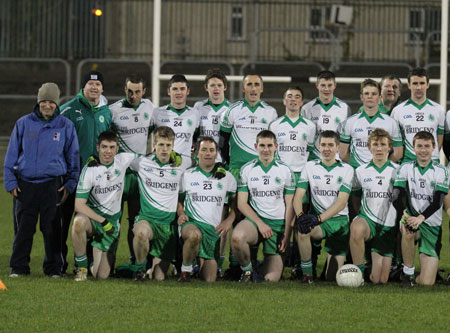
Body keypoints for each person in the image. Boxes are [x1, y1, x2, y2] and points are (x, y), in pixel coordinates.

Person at [4, 82, 80, 277]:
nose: (47, 106)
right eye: (44, 102)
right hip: (25, 185)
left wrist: (70, 184)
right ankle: (19, 268)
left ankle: (53, 269)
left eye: (51, 102)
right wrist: (11, 182)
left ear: (57, 104)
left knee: (52, 230)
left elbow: (73, 158)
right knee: (23, 230)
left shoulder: (65, 126)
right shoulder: (23, 123)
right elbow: (11, 155)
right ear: (38, 103)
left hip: (52, 185)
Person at [59, 70, 111, 273]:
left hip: (95, 182)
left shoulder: (106, 112)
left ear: (102, 88)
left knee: (88, 223)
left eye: (97, 85)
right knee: (62, 224)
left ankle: (85, 264)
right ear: (83, 87)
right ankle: (58, 264)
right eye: (90, 84)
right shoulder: (68, 109)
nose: (94, 87)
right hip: (71, 178)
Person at [71, 131, 136, 281]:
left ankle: (97, 254)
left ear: (117, 148)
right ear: (98, 147)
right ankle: (81, 268)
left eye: (112, 147)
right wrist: (102, 221)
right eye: (104, 147)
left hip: (112, 223)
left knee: (101, 276)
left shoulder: (123, 160)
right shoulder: (89, 170)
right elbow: (79, 205)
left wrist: (171, 155)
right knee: (78, 223)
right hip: (94, 219)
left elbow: (146, 158)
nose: (108, 151)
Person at [231, 130, 295, 282]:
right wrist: (260, 224)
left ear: (276, 147)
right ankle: (247, 271)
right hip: (255, 221)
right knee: (237, 238)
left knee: (270, 278)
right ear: (256, 146)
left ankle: (258, 264)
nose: (266, 149)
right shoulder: (247, 169)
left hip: (277, 225)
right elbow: (241, 203)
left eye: (269, 146)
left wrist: (287, 235)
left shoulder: (286, 170)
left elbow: (290, 205)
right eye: (262, 145)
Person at [293, 130, 354, 283]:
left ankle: (330, 262)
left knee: (331, 278)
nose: (327, 149)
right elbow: (298, 195)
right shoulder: (309, 166)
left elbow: (341, 204)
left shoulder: (347, 169)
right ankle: (307, 273)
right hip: (318, 222)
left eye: (331, 145)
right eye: (323, 145)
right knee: (302, 230)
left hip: (339, 223)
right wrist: (301, 216)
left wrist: (317, 219)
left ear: (338, 148)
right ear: (318, 147)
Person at [268, 86, 316, 278]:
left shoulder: (310, 126)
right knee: (281, 215)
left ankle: (298, 263)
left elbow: (311, 153)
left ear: (302, 102)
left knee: (298, 219)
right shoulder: (275, 125)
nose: (293, 100)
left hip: (301, 176)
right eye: (290, 97)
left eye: (297, 97)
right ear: (284, 101)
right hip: (280, 175)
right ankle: (278, 255)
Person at [392, 131, 449, 287]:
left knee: (427, 282)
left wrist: (421, 218)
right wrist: (404, 214)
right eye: (419, 146)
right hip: (412, 220)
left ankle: (419, 275)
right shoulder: (405, 168)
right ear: (414, 147)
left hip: (432, 226)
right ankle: (407, 274)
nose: (423, 150)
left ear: (433, 148)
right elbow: (397, 195)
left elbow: (438, 201)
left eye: (426, 146)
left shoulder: (442, 171)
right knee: (407, 228)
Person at [177, 137, 237, 282]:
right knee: (194, 236)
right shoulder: (187, 175)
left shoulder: (227, 177)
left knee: (210, 279)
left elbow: (236, 204)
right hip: (192, 224)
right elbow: (178, 200)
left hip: (212, 232)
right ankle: (185, 271)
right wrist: (181, 213)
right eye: (203, 150)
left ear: (217, 154)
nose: (208, 153)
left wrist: (229, 220)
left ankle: (197, 265)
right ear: (196, 153)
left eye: (211, 150)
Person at [110, 74, 154, 264]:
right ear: (124, 90)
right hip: (119, 176)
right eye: (130, 91)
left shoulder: (150, 108)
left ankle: (135, 260)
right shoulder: (113, 111)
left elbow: (156, 133)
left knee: (136, 221)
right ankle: (108, 262)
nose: (133, 95)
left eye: (137, 92)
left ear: (144, 92)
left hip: (139, 176)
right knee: (113, 220)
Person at [132, 126, 184, 281]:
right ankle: (139, 269)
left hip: (168, 225)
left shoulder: (181, 166)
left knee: (159, 278)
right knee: (141, 233)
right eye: (161, 145)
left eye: (168, 145)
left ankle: (150, 269)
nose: (164, 149)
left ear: (173, 146)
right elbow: (118, 160)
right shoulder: (141, 163)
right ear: (154, 145)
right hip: (147, 219)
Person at [349, 129, 399, 284]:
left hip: (388, 226)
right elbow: (356, 199)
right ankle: (358, 275)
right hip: (368, 221)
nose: (379, 148)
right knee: (357, 228)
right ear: (369, 147)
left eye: (383, 144)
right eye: (375, 144)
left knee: (379, 280)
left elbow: (402, 201)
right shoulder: (360, 171)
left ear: (389, 147)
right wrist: (362, 217)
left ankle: (380, 268)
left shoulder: (398, 171)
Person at [220, 74, 278, 179]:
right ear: (243, 88)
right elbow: (223, 141)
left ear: (262, 88)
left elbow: (274, 143)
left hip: (261, 168)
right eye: (249, 84)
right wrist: (228, 162)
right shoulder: (231, 111)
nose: (253, 88)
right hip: (237, 169)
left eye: (257, 84)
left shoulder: (271, 113)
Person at [340, 79, 403, 168]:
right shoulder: (350, 122)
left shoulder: (391, 122)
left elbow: (398, 153)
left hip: (382, 175)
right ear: (361, 97)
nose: (370, 96)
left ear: (380, 97)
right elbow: (343, 154)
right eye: (366, 93)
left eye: (374, 94)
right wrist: (358, 168)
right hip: (356, 173)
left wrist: (383, 167)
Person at [391, 67, 445, 164]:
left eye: (422, 83)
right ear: (409, 85)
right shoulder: (398, 111)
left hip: (432, 163)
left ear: (427, 85)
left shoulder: (438, 110)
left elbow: (439, 139)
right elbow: (394, 141)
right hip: (407, 163)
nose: (418, 87)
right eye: (415, 84)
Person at [150, 74, 200, 170]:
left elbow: (196, 139)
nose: (179, 92)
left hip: (185, 168)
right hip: (162, 167)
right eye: (175, 89)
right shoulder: (157, 113)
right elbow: (144, 136)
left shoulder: (195, 114)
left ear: (188, 91)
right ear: (169, 91)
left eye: (182, 89)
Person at [301, 70, 351, 161]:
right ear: (317, 85)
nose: (326, 89)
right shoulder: (307, 109)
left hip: (336, 160)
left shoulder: (344, 108)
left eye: (330, 85)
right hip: (314, 160)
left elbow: (347, 139)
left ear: (335, 85)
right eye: (323, 85)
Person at [194, 68, 230, 163]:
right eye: (212, 85)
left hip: (224, 162)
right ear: (206, 87)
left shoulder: (232, 109)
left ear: (225, 87)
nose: (216, 88)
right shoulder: (198, 107)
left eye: (219, 85)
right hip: (202, 161)